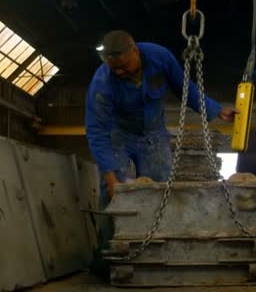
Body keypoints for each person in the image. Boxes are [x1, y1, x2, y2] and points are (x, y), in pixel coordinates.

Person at [85, 30, 236, 278]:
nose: (120, 72)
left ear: (135, 50)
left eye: (123, 66)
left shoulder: (159, 57)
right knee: (111, 194)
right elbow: (97, 131)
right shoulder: (102, 83)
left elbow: (185, 88)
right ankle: (107, 256)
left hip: (153, 133)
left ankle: (156, 250)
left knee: (160, 190)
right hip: (117, 134)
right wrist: (111, 176)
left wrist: (216, 110)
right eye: (115, 69)